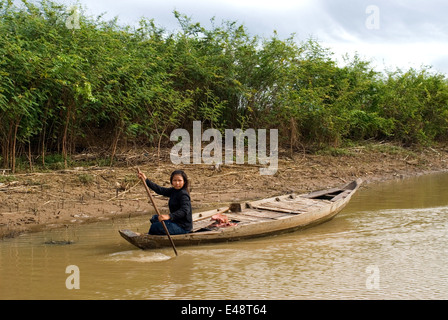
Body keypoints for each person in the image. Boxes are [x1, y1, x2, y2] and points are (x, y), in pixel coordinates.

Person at [137, 170, 192, 235]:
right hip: (175, 221)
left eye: (179, 181)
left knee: (155, 227)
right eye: (175, 180)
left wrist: (169, 216)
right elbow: (160, 190)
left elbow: (184, 210)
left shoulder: (183, 195)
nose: (177, 183)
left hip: (183, 227)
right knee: (155, 218)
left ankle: (151, 237)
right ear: (171, 181)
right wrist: (146, 180)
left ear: (184, 182)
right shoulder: (173, 191)